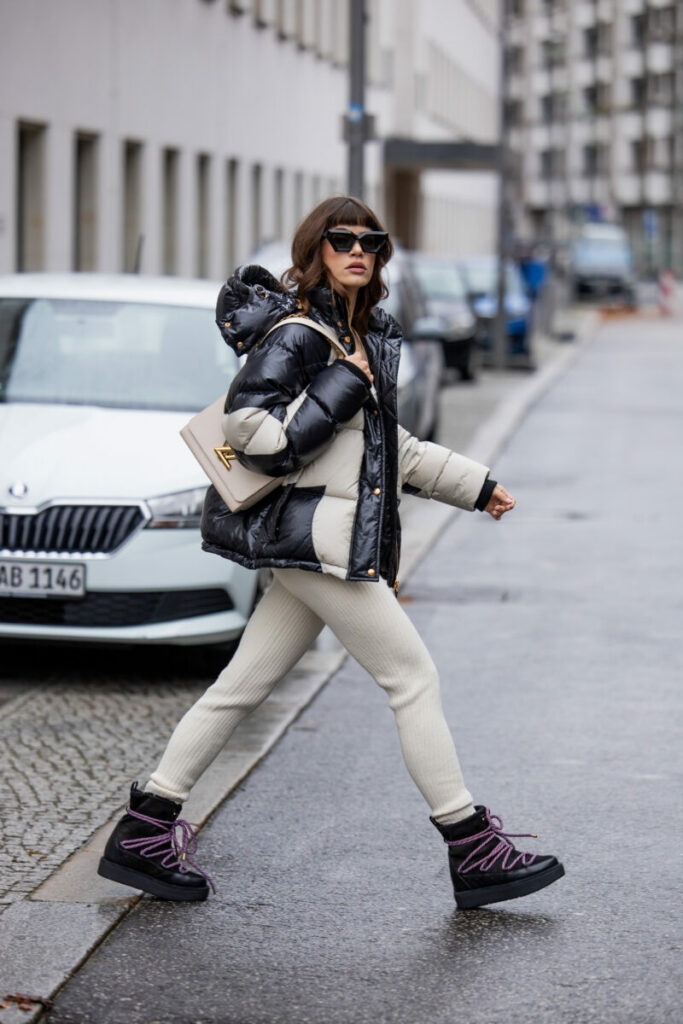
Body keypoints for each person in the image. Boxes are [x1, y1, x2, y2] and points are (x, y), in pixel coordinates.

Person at [98, 196, 564, 909]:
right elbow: (248, 424)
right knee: (411, 678)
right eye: (340, 239)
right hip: (318, 540)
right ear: (315, 249)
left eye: (370, 241)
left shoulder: (359, 332)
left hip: (312, 541)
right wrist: (341, 389)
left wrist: (477, 486)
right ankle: (471, 846)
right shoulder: (299, 336)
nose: (356, 249)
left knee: (239, 689)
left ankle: (144, 831)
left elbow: (389, 448)